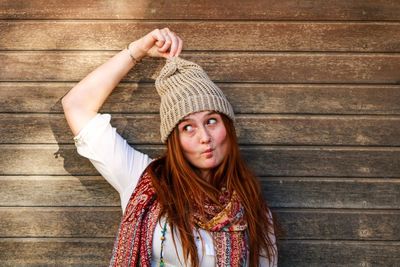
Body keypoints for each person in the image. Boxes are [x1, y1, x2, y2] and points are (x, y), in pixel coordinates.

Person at [62, 28, 278, 267]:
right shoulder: (142, 179)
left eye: (211, 121)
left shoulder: (250, 202)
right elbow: (76, 105)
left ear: (228, 127)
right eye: (187, 127)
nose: (204, 137)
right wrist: (138, 50)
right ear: (173, 138)